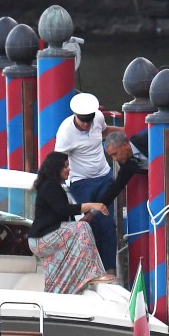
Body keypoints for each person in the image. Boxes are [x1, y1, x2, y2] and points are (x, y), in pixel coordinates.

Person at [28, 151, 114, 294]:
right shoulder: (49, 186)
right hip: (41, 239)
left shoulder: (52, 186)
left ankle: (55, 292)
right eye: (66, 166)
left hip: (44, 238)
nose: (69, 169)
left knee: (60, 262)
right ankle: (95, 272)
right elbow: (64, 210)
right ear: (56, 168)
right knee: (83, 227)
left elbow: (62, 214)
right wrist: (93, 205)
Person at [55, 93, 122, 275]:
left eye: (89, 120)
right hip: (81, 182)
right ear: (75, 116)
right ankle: (93, 268)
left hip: (104, 177)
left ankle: (109, 270)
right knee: (90, 225)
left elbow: (106, 131)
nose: (86, 124)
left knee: (107, 224)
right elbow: (58, 161)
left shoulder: (98, 118)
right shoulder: (65, 132)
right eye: (83, 120)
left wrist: (133, 130)